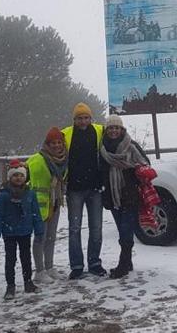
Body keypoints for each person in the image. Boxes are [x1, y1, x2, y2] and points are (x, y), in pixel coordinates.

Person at [99, 114, 149, 279]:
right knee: (122, 229)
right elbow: (100, 170)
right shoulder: (102, 148)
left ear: (122, 129)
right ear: (106, 130)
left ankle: (123, 264)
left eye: (117, 128)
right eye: (111, 128)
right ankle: (128, 263)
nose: (114, 131)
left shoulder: (131, 146)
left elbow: (145, 163)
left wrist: (131, 170)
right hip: (112, 195)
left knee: (126, 230)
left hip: (129, 193)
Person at [62, 102, 107, 279]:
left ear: (91, 118)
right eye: (79, 118)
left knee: (96, 227)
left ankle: (95, 262)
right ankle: (77, 265)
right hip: (74, 189)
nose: (83, 121)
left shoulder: (99, 131)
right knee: (74, 228)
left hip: (95, 188)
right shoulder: (66, 133)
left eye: (86, 117)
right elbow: (52, 148)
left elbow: (116, 138)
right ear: (74, 119)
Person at [0, 162, 45, 300]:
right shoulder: (3, 196)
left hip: (25, 231)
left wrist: (39, 229)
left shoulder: (30, 194)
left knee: (26, 258)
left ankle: (28, 282)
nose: (18, 178)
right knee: (10, 259)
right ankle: (10, 286)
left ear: (25, 177)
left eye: (21, 175)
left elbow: (36, 213)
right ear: (10, 177)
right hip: (9, 233)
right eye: (15, 175)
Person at [26, 127, 68, 283]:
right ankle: (39, 271)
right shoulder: (37, 159)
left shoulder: (64, 160)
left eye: (59, 142)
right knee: (40, 238)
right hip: (38, 204)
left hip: (55, 201)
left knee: (51, 237)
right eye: (53, 143)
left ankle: (49, 267)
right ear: (47, 144)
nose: (57, 146)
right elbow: (22, 176)